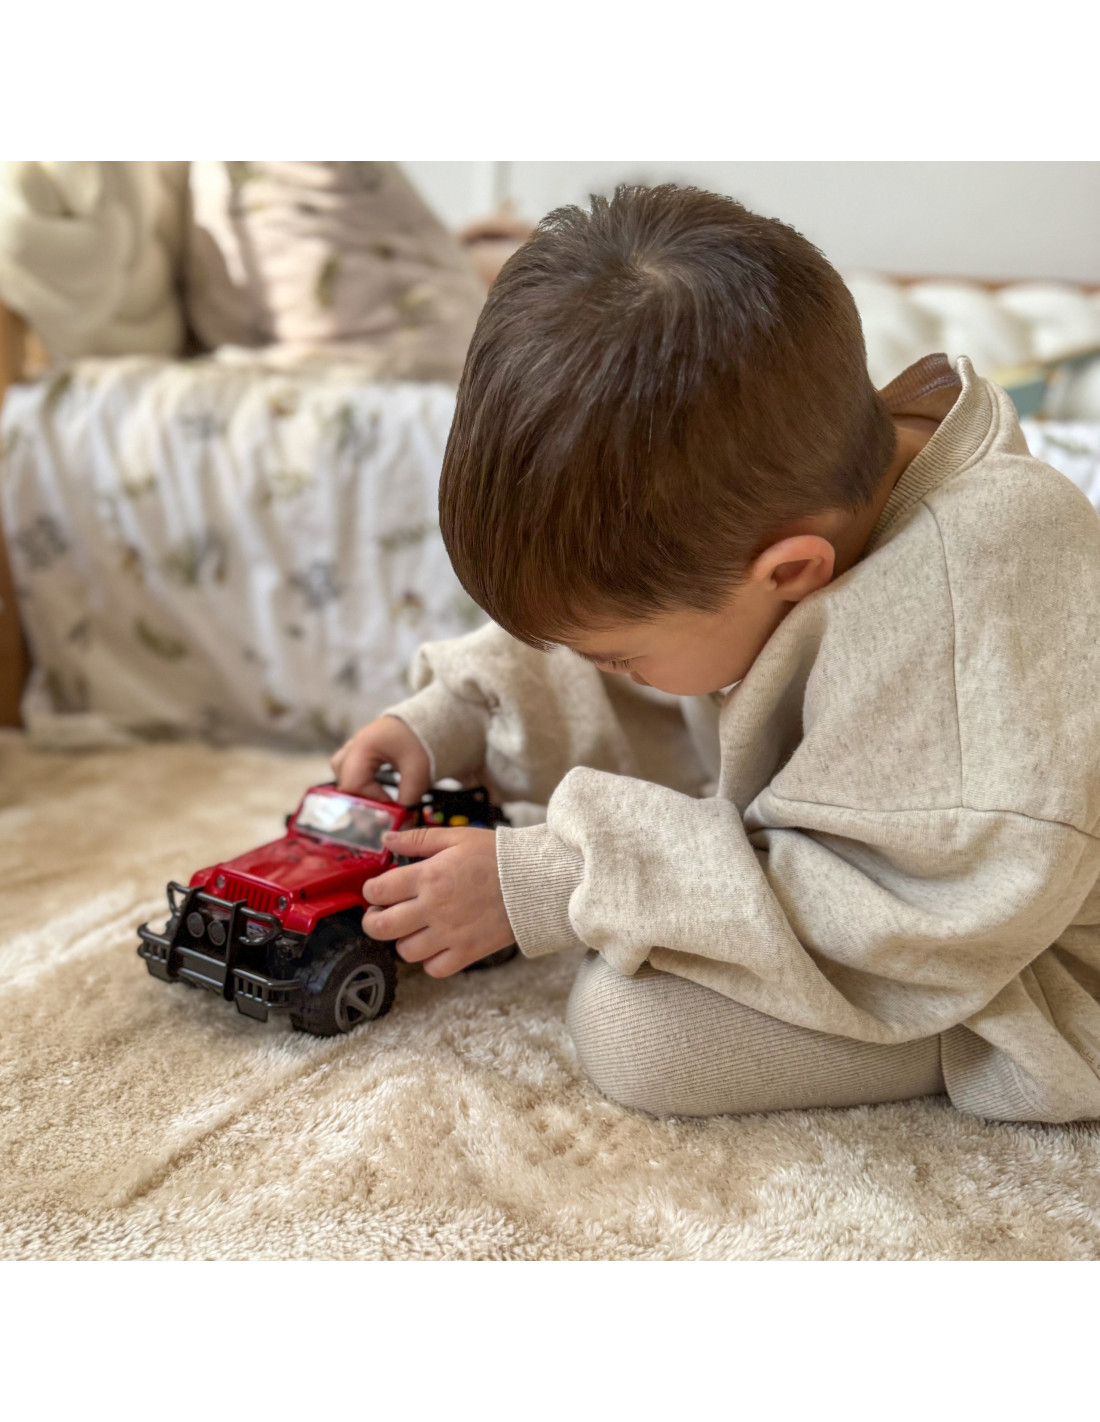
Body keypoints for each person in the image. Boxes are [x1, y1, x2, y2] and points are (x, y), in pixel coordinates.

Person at [331, 184, 1100, 1124]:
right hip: (916, 879)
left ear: (791, 571)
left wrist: (565, 877)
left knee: (634, 1028)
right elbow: (654, 643)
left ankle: (962, 1038)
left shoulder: (969, 594)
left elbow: (907, 908)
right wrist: (461, 710)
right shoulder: (791, 508)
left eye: (618, 659)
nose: (603, 670)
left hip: (996, 945)